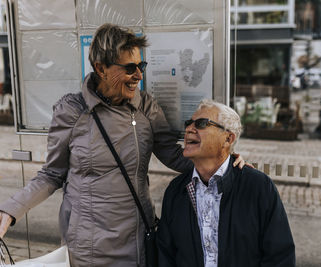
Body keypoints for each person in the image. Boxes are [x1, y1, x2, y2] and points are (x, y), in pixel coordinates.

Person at [0, 24, 245, 266]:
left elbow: (174, 155)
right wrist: (10, 211)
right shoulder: (72, 111)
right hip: (88, 244)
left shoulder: (146, 107)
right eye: (130, 68)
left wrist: (226, 162)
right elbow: (52, 174)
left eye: (141, 66)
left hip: (136, 237)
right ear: (101, 68)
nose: (139, 75)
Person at [157, 99, 296, 267]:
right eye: (188, 123)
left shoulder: (258, 187)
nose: (188, 129)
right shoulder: (176, 190)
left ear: (228, 139)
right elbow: (165, 255)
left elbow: (280, 257)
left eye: (201, 123)